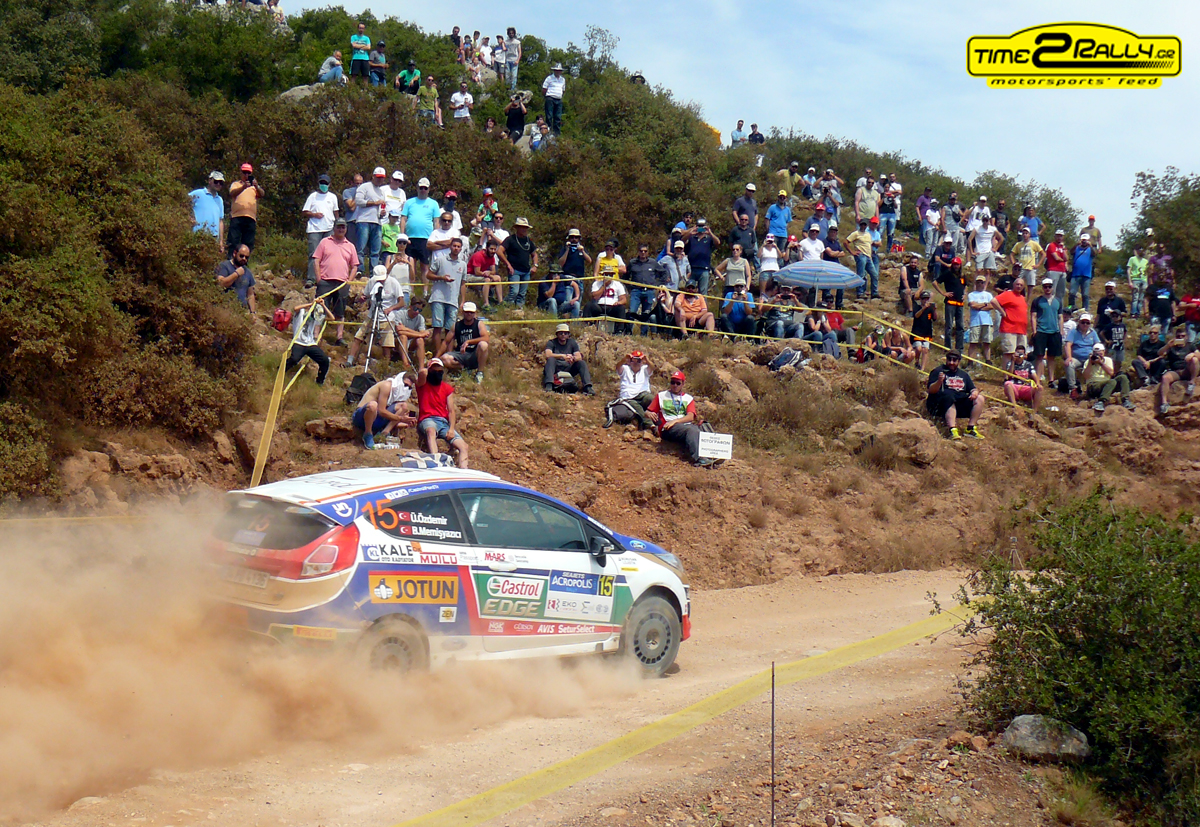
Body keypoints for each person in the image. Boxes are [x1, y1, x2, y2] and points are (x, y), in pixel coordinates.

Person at [345, 264, 405, 368]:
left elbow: (402, 302)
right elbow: (366, 294)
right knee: (359, 336)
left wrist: (390, 309)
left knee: (387, 343)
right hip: (372, 315)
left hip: (387, 317)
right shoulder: (372, 281)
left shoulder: (393, 283)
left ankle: (385, 366)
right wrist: (363, 298)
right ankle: (350, 360)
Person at [311, 218, 358, 345]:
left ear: (346, 229)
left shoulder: (350, 246)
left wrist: (349, 281)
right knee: (320, 309)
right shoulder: (325, 242)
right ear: (334, 228)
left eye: (343, 227)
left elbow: (355, 266)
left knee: (340, 311)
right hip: (325, 281)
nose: (341, 229)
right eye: (339, 227)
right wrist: (318, 279)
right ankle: (315, 335)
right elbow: (316, 260)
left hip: (342, 283)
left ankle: (339, 337)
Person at [647, 371, 709, 466]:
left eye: (678, 383)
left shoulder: (688, 398)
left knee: (700, 428)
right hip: (667, 428)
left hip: (683, 425)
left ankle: (710, 455)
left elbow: (690, 416)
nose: (675, 385)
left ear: (683, 384)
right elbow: (648, 411)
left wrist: (675, 421)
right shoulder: (661, 396)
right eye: (673, 382)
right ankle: (698, 459)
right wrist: (649, 414)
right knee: (691, 430)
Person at [415, 359, 468, 467]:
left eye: (440, 371)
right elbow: (421, 373)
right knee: (431, 431)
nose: (437, 373)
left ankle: (464, 470)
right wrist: (427, 369)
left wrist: (451, 429)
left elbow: (451, 410)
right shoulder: (422, 385)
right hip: (428, 418)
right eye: (435, 371)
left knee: (464, 446)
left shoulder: (446, 388)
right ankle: (436, 461)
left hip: (443, 422)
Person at [926, 351, 985, 440]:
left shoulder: (963, 374)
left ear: (959, 361)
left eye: (954, 360)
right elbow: (931, 390)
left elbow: (972, 388)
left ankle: (970, 428)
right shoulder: (938, 371)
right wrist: (939, 382)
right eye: (949, 360)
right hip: (940, 404)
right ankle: (952, 429)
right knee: (949, 396)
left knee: (980, 398)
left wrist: (974, 392)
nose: (951, 362)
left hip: (959, 403)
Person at [354, 372, 418, 450]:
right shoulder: (387, 386)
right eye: (405, 385)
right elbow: (381, 411)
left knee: (403, 406)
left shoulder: (398, 394)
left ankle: (384, 433)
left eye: (409, 387)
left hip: (377, 418)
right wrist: (400, 418)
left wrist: (403, 421)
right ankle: (368, 434)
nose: (406, 388)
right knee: (373, 405)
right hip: (362, 417)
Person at [427, 237, 468, 353]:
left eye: (458, 247)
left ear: (461, 248)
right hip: (438, 298)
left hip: (453, 300)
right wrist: (441, 277)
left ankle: (449, 355)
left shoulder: (463, 264)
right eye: (454, 246)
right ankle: (437, 354)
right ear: (450, 247)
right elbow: (428, 275)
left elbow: (463, 283)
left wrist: (462, 300)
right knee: (437, 327)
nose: (456, 248)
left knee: (450, 329)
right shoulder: (440, 260)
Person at [302, 173, 340, 288]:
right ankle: (311, 278)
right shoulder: (313, 196)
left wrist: (337, 226)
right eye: (322, 183)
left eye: (325, 183)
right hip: (314, 229)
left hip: (329, 228)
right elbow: (305, 212)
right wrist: (314, 214)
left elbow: (336, 212)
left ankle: (326, 278)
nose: (323, 185)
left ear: (329, 184)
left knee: (328, 254)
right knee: (314, 254)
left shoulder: (333, 197)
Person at [439, 301, 489, 384]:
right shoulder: (457, 325)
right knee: (445, 358)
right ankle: (465, 369)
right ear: (463, 312)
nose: (469, 314)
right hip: (461, 354)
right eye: (467, 312)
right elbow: (446, 342)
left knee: (483, 345)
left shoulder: (479, 324)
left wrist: (469, 341)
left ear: (474, 313)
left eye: (471, 312)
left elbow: (486, 338)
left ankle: (480, 372)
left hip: (474, 353)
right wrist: (436, 357)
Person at [401, 177, 440, 278]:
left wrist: (436, 238)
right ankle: (410, 287)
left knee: (425, 266)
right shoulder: (409, 202)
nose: (423, 190)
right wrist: (402, 236)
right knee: (410, 265)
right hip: (410, 238)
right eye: (421, 188)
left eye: (425, 188)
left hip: (426, 238)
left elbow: (436, 221)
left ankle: (425, 288)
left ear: (429, 189)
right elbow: (403, 219)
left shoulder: (434, 203)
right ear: (417, 188)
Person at [285, 298, 330, 386]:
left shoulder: (316, 317)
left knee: (325, 361)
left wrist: (323, 305)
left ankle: (319, 381)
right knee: (294, 359)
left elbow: (332, 317)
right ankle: (282, 370)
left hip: (310, 344)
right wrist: (311, 304)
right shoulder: (301, 313)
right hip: (298, 342)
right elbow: (295, 308)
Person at [604, 351, 654, 429]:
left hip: (642, 395)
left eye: (638, 360)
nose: (636, 363)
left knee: (651, 399)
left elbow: (652, 367)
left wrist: (646, 360)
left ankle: (659, 420)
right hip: (629, 398)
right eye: (633, 360)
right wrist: (624, 359)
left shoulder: (644, 369)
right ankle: (650, 425)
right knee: (637, 407)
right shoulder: (625, 369)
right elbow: (618, 367)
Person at [354, 167, 388, 277]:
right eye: (378, 177)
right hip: (363, 220)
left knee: (375, 250)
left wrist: (382, 214)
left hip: (377, 222)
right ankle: (359, 269)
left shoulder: (381, 192)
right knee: (361, 248)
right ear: (373, 176)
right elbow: (358, 201)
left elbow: (380, 208)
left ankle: (374, 272)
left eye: (382, 178)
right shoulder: (364, 187)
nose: (380, 180)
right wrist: (374, 203)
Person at [541, 323, 594, 395]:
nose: (563, 335)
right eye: (561, 333)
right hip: (556, 368)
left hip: (569, 368)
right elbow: (548, 354)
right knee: (551, 360)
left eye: (565, 333)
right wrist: (562, 356)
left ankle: (587, 387)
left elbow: (579, 356)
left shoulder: (572, 342)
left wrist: (573, 358)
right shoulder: (552, 342)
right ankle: (549, 385)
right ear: (557, 334)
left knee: (581, 363)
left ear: (568, 334)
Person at [1157, 327, 1200, 414]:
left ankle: (1192, 383)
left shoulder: (1190, 345)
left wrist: (1192, 354)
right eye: (1178, 336)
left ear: (1186, 337)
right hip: (1175, 371)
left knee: (1195, 360)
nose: (1180, 338)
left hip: (1187, 369)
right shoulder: (1172, 347)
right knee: (1165, 378)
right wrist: (1168, 346)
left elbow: (1198, 355)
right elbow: (1159, 353)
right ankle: (1164, 403)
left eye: (1182, 336)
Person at [627, 244, 666, 335]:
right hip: (636, 291)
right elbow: (626, 276)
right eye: (641, 251)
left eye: (645, 251)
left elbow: (664, 273)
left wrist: (658, 284)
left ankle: (643, 334)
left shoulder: (653, 262)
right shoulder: (632, 263)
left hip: (649, 291)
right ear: (638, 252)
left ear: (648, 252)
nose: (643, 253)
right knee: (632, 312)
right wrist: (629, 287)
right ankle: (628, 332)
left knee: (646, 313)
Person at [1082, 343, 1134, 412]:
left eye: (1100, 354)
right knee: (1111, 382)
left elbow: (1111, 373)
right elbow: (1086, 376)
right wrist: (1090, 362)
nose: (1098, 356)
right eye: (1096, 354)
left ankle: (1125, 400)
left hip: (1108, 385)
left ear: (1104, 352)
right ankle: (1101, 402)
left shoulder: (1108, 360)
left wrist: (1101, 363)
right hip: (1093, 385)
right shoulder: (1088, 362)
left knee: (1123, 377)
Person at [1030, 278, 1063, 384]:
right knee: (1039, 356)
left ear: (1052, 287)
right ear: (1043, 288)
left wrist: (1061, 331)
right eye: (1045, 286)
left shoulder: (1058, 301)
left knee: (1051, 357)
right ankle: (1038, 378)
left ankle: (1051, 379)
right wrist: (1034, 330)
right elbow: (1033, 316)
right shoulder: (1037, 301)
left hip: (1054, 332)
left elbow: (1060, 317)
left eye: (1049, 286)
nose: (1047, 288)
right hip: (1041, 330)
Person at [499, 217, 537, 306]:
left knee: (522, 294)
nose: (524, 229)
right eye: (522, 227)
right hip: (514, 270)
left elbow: (534, 254)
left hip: (526, 271)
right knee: (514, 291)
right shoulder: (510, 239)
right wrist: (508, 265)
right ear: (517, 228)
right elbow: (499, 251)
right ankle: (505, 306)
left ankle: (519, 309)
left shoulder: (528, 241)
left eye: (525, 227)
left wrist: (535, 265)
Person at [227, 163, 264, 254]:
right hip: (237, 216)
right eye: (244, 172)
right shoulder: (236, 184)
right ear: (241, 173)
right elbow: (232, 193)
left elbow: (262, 194)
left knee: (248, 243)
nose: (246, 175)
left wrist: (256, 186)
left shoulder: (254, 187)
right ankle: (231, 258)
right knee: (233, 241)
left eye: (248, 173)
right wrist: (243, 187)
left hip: (250, 218)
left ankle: (244, 260)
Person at [994, 278, 1029, 373]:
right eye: (1017, 284)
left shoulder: (1022, 298)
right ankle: (1006, 375)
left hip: (1021, 329)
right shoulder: (1008, 294)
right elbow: (994, 301)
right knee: (1009, 353)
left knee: (1021, 354)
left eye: (1021, 285)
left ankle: (1018, 374)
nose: (1019, 286)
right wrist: (1002, 312)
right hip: (1009, 328)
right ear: (1013, 285)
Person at [934, 251, 967, 351]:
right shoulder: (948, 273)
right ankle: (947, 348)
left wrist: (965, 294)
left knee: (960, 327)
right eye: (955, 264)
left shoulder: (962, 275)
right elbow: (935, 283)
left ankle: (959, 349)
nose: (956, 266)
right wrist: (943, 293)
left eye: (958, 264)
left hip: (960, 304)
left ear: (960, 265)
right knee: (949, 326)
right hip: (950, 303)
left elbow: (965, 286)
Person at [1064, 313, 1100, 399]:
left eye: (1087, 323)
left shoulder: (1093, 332)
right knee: (1069, 364)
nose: (1085, 324)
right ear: (1079, 322)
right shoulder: (1073, 332)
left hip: (1089, 358)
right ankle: (1073, 388)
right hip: (1077, 358)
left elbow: (1097, 345)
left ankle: (1094, 387)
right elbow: (1068, 345)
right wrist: (1069, 357)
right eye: (1083, 322)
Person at [965, 275, 999, 364]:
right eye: (978, 282)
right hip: (975, 321)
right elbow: (973, 305)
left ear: (984, 284)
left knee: (987, 342)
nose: (980, 284)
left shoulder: (988, 294)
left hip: (987, 321)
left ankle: (988, 360)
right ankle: (970, 361)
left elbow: (992, 306)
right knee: (973, 342)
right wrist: (985, 304)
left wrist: (979, 306)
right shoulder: (971, 294)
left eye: (982, 282)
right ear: (976, 283)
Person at [189, 171, 225, 252]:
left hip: (213, 238)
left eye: (221, 183)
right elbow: (183, 202)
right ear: (210, 181)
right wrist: (189, 217)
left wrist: (221, 242)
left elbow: (220, 221)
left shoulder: (220, 200)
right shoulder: (198, 193)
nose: (218, 184)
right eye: (216, 181)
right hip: (198, 235)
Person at [216, 244, 256, 311]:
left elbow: (250, 294)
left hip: (241, 311)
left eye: (246, 257)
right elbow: (221, 284)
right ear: (235, 253)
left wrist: (253, 312)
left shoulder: (247, 272)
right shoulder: (224, 266)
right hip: (225, 309)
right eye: (241, 256)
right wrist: (236, 274)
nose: (244, 259)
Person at [684, 218, 718, 295]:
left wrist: (710, 233)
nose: (701, 228)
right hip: (691, 268)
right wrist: (690, 233)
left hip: (704, 269)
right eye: (699, 226)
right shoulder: (692, 238)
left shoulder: (709, 239)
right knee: (689, 291)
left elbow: (718, 242)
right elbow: (682, 241)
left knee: (703, 293)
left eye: (702, 226)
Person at [465, 239, 504, 307]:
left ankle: (500, 301)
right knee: (487, 280)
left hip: (482, 275)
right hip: (470, 275)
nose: (493, 251)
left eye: (495, 249)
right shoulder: (478, 256)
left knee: (498, 278)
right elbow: (477, 272)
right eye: (491, 249)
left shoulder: (492, 257)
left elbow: (494, 271)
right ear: (486, 248)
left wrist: (489, 272)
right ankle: (486, 303)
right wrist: (490, 275)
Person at [846, 219, 878, 300]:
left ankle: (874, 292)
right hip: (861, 255)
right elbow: (846, 242)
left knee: (874, 274)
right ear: (860, 225)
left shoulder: (868, 234)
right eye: (862, 224)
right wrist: (852, 252)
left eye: (865, 225)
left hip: (868, 256)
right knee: (861, 274)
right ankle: (860, 293)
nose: (863, 226)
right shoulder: (856, 233)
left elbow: (869, 244)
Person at [1003, 344, 1042, 411]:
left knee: (1039, 389)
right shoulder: (1010, 363)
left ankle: (1034, 411)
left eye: (1021, 354)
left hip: (1026, 387)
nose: (1019, 355)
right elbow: (1009, 375)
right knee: (1007, 384)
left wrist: (1038, 383)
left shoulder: (1028, 364)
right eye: (1017, 353)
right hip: (1014, 387)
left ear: (1024, 355)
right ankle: (1014, 407)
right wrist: (1013, 361)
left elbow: (1034, 375)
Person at [968, 214, 1000, 282]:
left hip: (989, 251)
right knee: (978, 270)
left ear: (989, 221)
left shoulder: (992, 229)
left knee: (988, 271)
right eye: (984, 220)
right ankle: (975, 286)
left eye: (986, 220)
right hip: (980, 251)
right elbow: (969, 239)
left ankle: (985, 287)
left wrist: (995, 248)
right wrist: (972, 252)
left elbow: (1001, 238)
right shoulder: (977, 229)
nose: (985, 222)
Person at [1068, 234, 1095, 311]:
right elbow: (1071, 252)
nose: (1084, 242)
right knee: (1072, 293)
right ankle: (1070, 308)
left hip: (1086, 275)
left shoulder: (1090, 249)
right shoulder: (1077, 248)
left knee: (1085, 295)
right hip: (1075, 274)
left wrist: (1090, 246)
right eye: (1083, 240)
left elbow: (1094, 254)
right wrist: (1076, 244)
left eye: (1085, 240)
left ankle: (1085, 310)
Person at [911, 290, 937, 370]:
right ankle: (917, 362)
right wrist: (923, 308)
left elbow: (935, 318)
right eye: (923, 299)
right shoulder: (917, 307)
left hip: (927, 332)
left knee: (925, 350)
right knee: (918, 348)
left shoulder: (930, 309)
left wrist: (935, 310)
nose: (925, 300)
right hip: (917, 332)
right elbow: (916, 316)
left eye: (927, 299)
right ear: (920, 299)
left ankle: (922, 369)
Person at [1045, 229, 1069, 304]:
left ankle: (1059, 308)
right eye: (1058, 236)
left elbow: (1066, 258)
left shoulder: (1063, 247)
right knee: (1052, 291)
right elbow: (1056, 258)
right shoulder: (1051, 245)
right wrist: (1063, 260)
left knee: (1061, 293)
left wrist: (1063, 250)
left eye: (1061, 236)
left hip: (1062, 271)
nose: (1059, 238)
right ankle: (1050, 305)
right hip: (1053, 270)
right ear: (1055, 236)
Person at [542, 62, 566, 135]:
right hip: (550, 98)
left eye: (559, 71)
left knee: (558, 117)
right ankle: (548, 132)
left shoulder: (562, 80)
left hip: (558, 99)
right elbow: (544, 89)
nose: (558, 72)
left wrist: (559, 95)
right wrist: (546, 96)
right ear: (554, 70)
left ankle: (557, 134)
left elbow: (563, 90)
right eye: (557, 70)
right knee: (549, 116)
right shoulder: (549, 78)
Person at [879, 175, 901, 250]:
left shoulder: (892, 195)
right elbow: (878, 205)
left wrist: (893, 199)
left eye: (888, 188)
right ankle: (877, 248)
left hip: (892, 214)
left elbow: (896, 207)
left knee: (891, 233)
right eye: (886, 187)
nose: (887, 189)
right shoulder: (881, 195)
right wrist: (884, 197)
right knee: (881, 231)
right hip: (883, 213)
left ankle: (888, 249)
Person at [1127, 244, 1150, 317]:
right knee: (1135, 297)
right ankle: (1133, 313)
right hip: (1135, 279)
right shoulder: (1132, 259)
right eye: (1140, 250)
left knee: (1141, 298)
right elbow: (1129, 270)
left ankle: (1138, 312)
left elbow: (1147, 272)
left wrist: (1148, 282)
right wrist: (1130, 281)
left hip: (1144, 280)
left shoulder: (1146, 261)